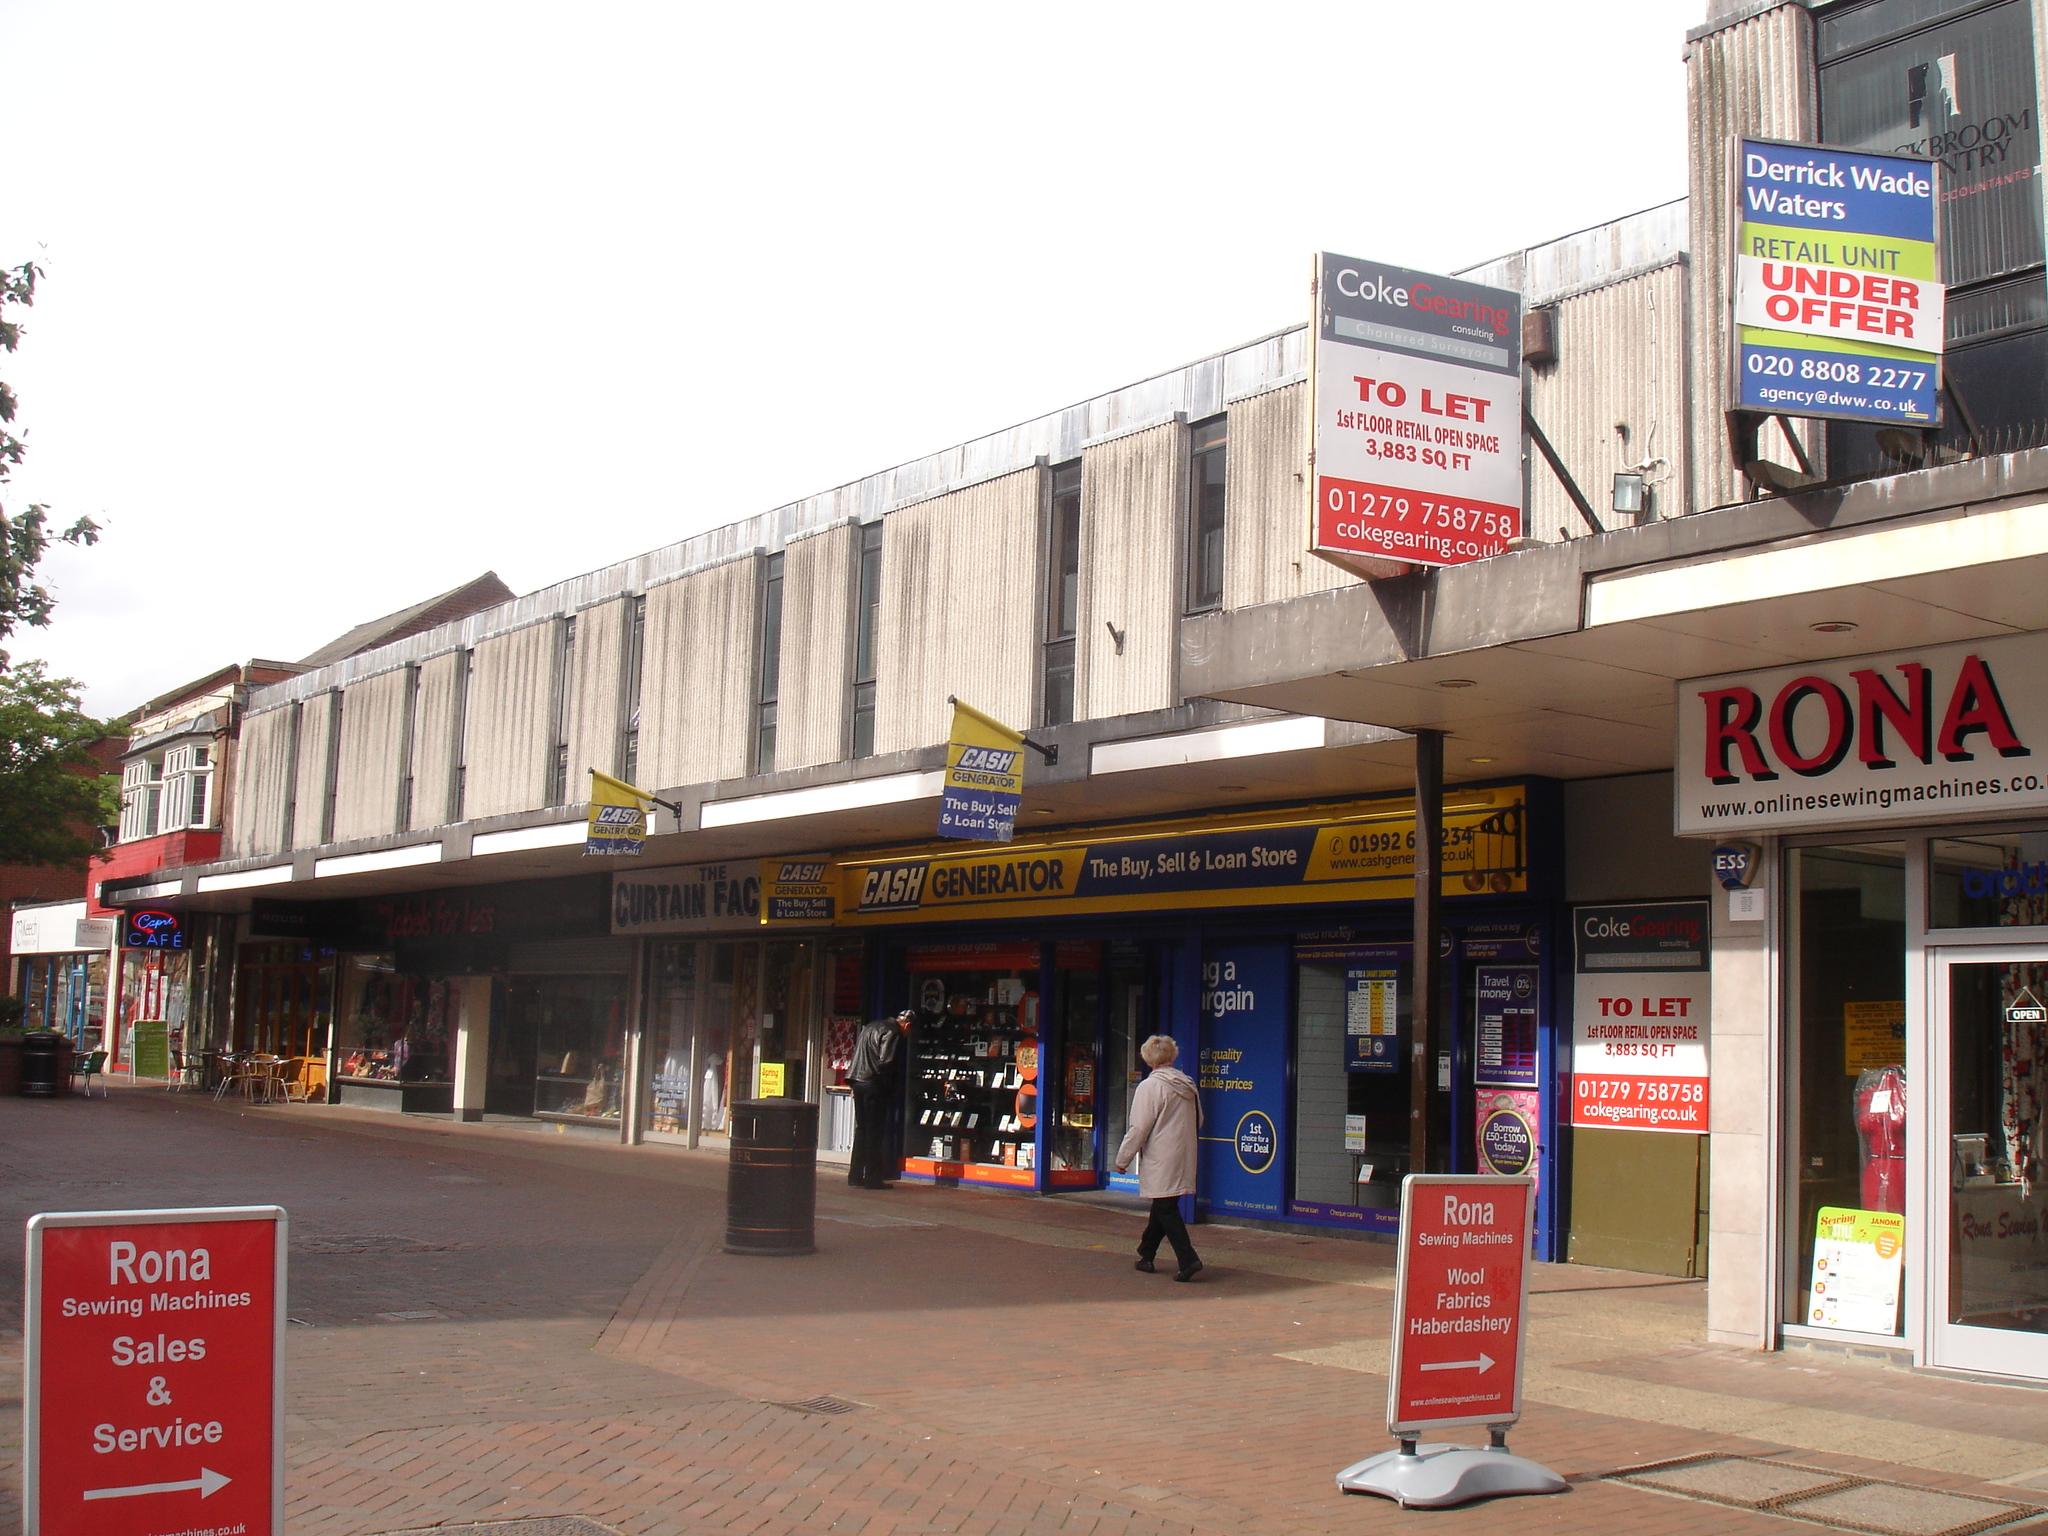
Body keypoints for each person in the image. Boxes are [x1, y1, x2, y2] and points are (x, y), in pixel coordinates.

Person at [1113, 1034, 1204, 1281]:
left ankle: (1188, 1259)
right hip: (1184, 1152)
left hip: (1161, 1155)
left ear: (1148, 1058)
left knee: (1166, 1207)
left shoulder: (1150, 1087)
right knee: (1165, 1203)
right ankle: (1147, 1252)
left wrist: (1123, 1159)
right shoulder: (1187, 1084)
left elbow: (1139, 1127)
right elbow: (1200, 1120)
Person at [848, 1008, 913, 1189]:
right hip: (873, 1084)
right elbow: (886, 1061)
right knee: (874, 1132)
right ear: (907, 1025)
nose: (908, 1034)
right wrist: (889, 1087)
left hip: (858, 1081)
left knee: (861, 1130)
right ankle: (872, 1178)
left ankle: (855, 1175)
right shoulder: (893, 1032)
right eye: (909, 1030)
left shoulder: (871, 1026)